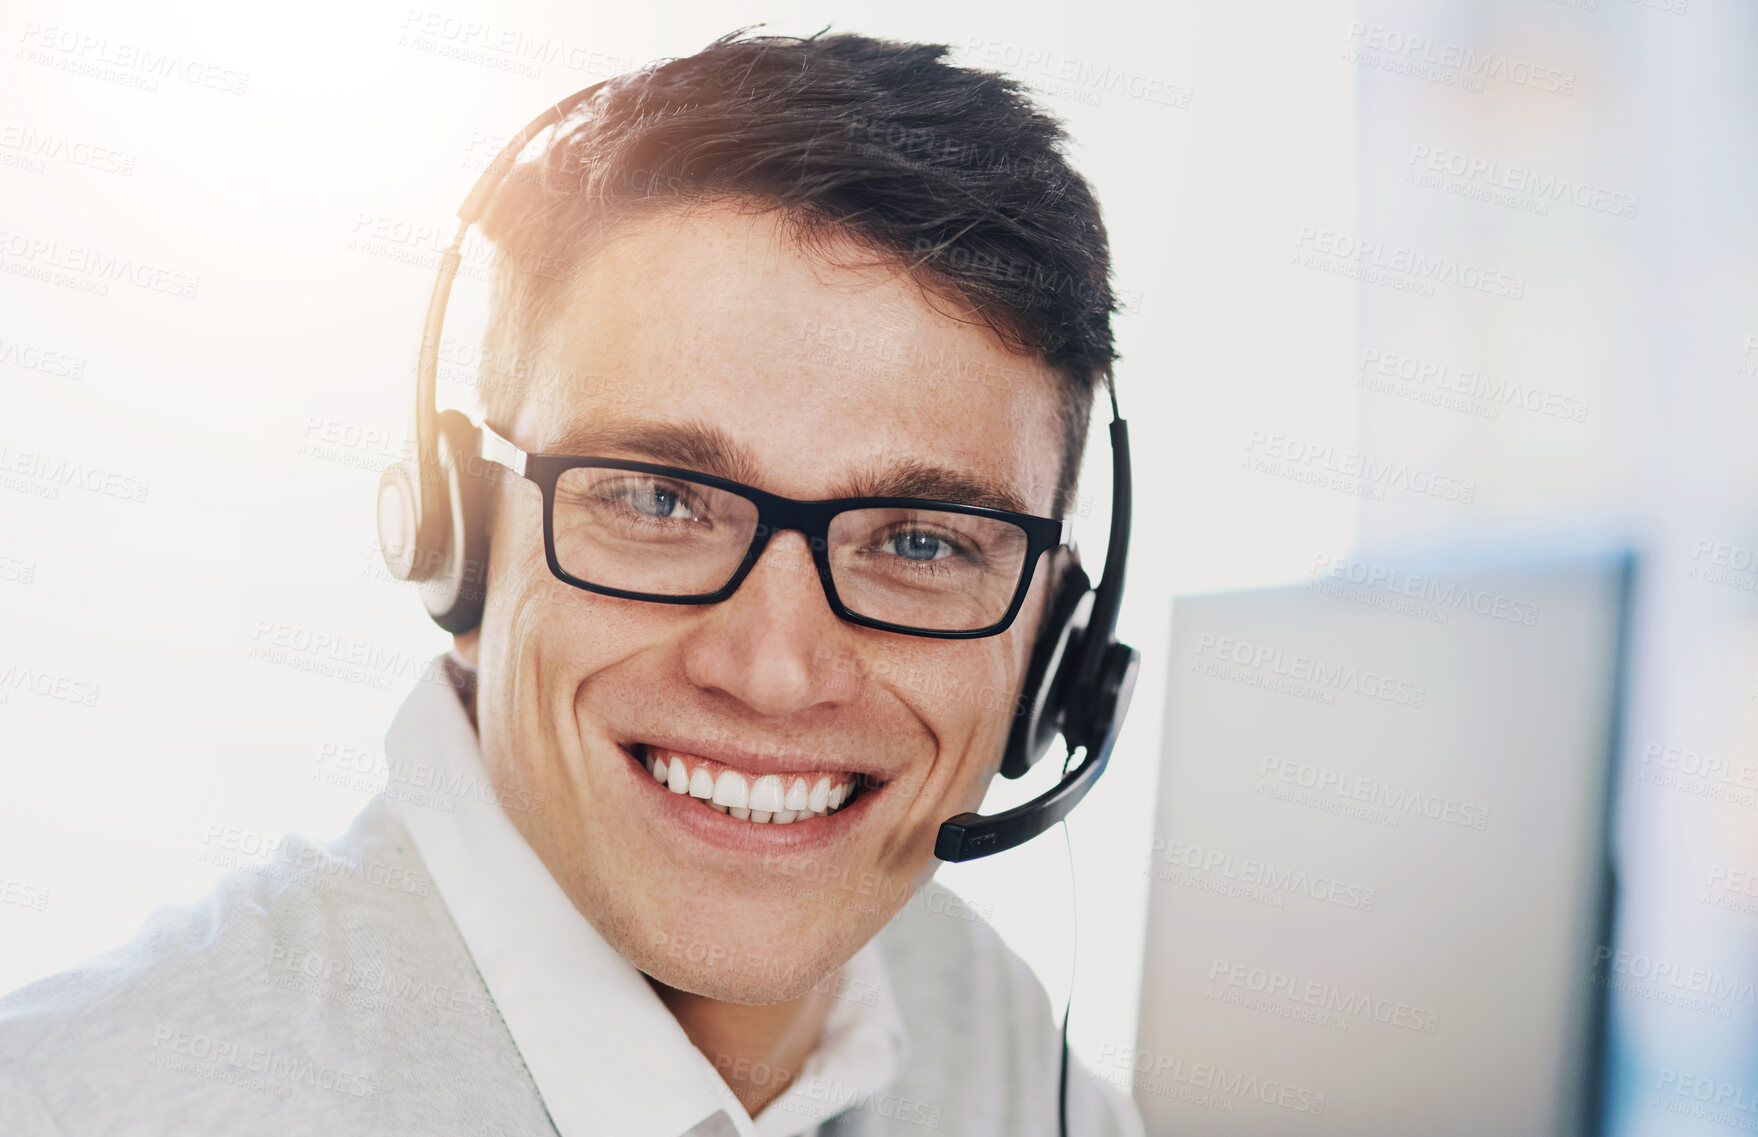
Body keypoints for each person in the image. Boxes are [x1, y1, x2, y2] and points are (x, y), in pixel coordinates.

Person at [0, 29, 1143, 1136]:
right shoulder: (81, 1102)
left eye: (924, 542)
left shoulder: (986, 1034)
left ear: (1055, 651)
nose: (775, 671)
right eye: (658, 501)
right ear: (468, 541)